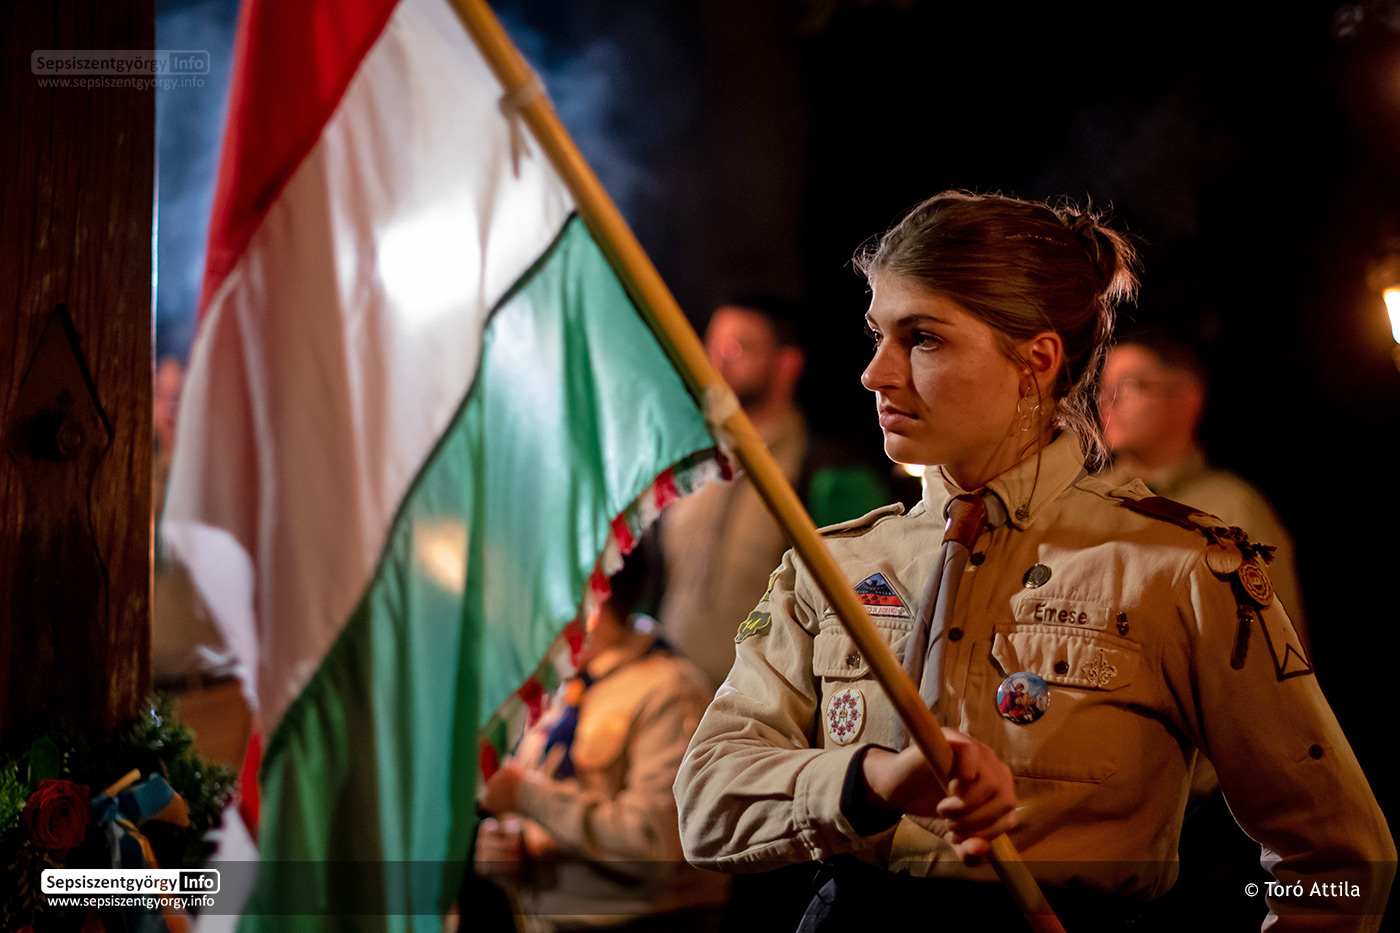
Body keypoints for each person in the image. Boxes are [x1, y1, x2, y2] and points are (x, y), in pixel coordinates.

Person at [673, 191, 1394, 931]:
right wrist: (871, 781)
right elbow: (703, 805)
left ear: (1036, 361)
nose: (875, 373)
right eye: (878, 335)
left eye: (922, 338)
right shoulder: (835, 564)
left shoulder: (1173, 566)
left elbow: (1339, 858)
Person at [475, 556, 731, 932]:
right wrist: (510, 843)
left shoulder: (668, 691)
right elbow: (543, 807)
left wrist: (525, 795)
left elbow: (654, 847)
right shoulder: (561, 688)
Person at [657, 296, 892, 692]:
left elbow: (863, 616)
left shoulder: (828, 475)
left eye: (737, 348)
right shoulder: (689, 463)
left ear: (787, 363)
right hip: (671, 698)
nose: (717, 362)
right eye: (711, 346)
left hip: (764, 708)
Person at [1097, 335, 1307, 644]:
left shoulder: (1232, 509)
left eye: (1130, 386)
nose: (1108, 400)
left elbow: (1276, 645)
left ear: (1186, 399)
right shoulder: (1088, 498)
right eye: (1103, 387)